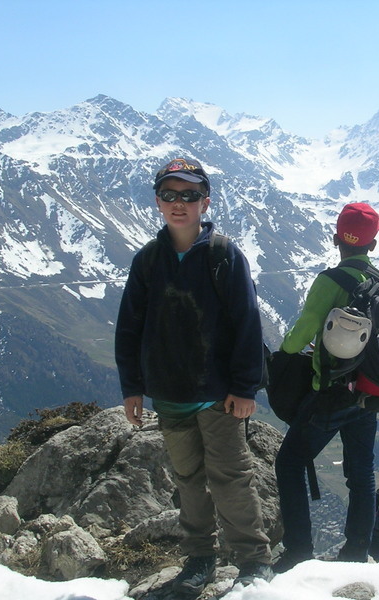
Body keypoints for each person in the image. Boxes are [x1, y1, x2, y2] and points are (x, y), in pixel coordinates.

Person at [114, 157, 272, 596]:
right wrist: (132, 387)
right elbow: (129, 327)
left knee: (230, 476)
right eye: (169, 194)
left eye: (189, 194)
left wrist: (244, 387)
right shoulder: (148, 260)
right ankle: (200, 556)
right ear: (157, 201)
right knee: (187, 479)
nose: (179, 203)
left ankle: (253, 560)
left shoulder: (224, 255)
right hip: (170, 394)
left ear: (206, 201)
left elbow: (247, 323)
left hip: (220, 395)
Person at [272, 202, 379, 572]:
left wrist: (283, 354)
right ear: (372, 245)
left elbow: (304, 330)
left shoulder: (330, 281)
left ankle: (298, 552)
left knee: (289, 463)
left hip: (331, 393)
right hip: (366, 394)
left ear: (337, 238)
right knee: (362, 474)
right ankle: (357, 552)